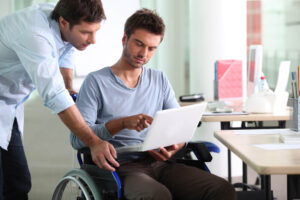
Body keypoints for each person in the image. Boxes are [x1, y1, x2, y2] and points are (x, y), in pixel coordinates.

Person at [71, 8, 237, 200]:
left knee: (221, 189)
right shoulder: (96, 82)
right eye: (139, 44)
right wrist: (122, 123)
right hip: (121, 167)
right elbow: (77, 140)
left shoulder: (159, 79)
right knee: (158, 196)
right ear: (125, 38)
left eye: (152, 48)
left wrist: (176, 145)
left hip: (161, 163)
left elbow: (178, 127)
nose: (144, 53)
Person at [0, 0, 120, 199]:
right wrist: (93, 141)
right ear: (64, 23)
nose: (93, 40)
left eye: (96, 31)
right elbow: (54, 94)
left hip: (7, 106)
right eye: (86, 32)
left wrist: (68, 87)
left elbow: (68, 49)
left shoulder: (62, 19)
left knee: (17, 183)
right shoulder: (35, 35)